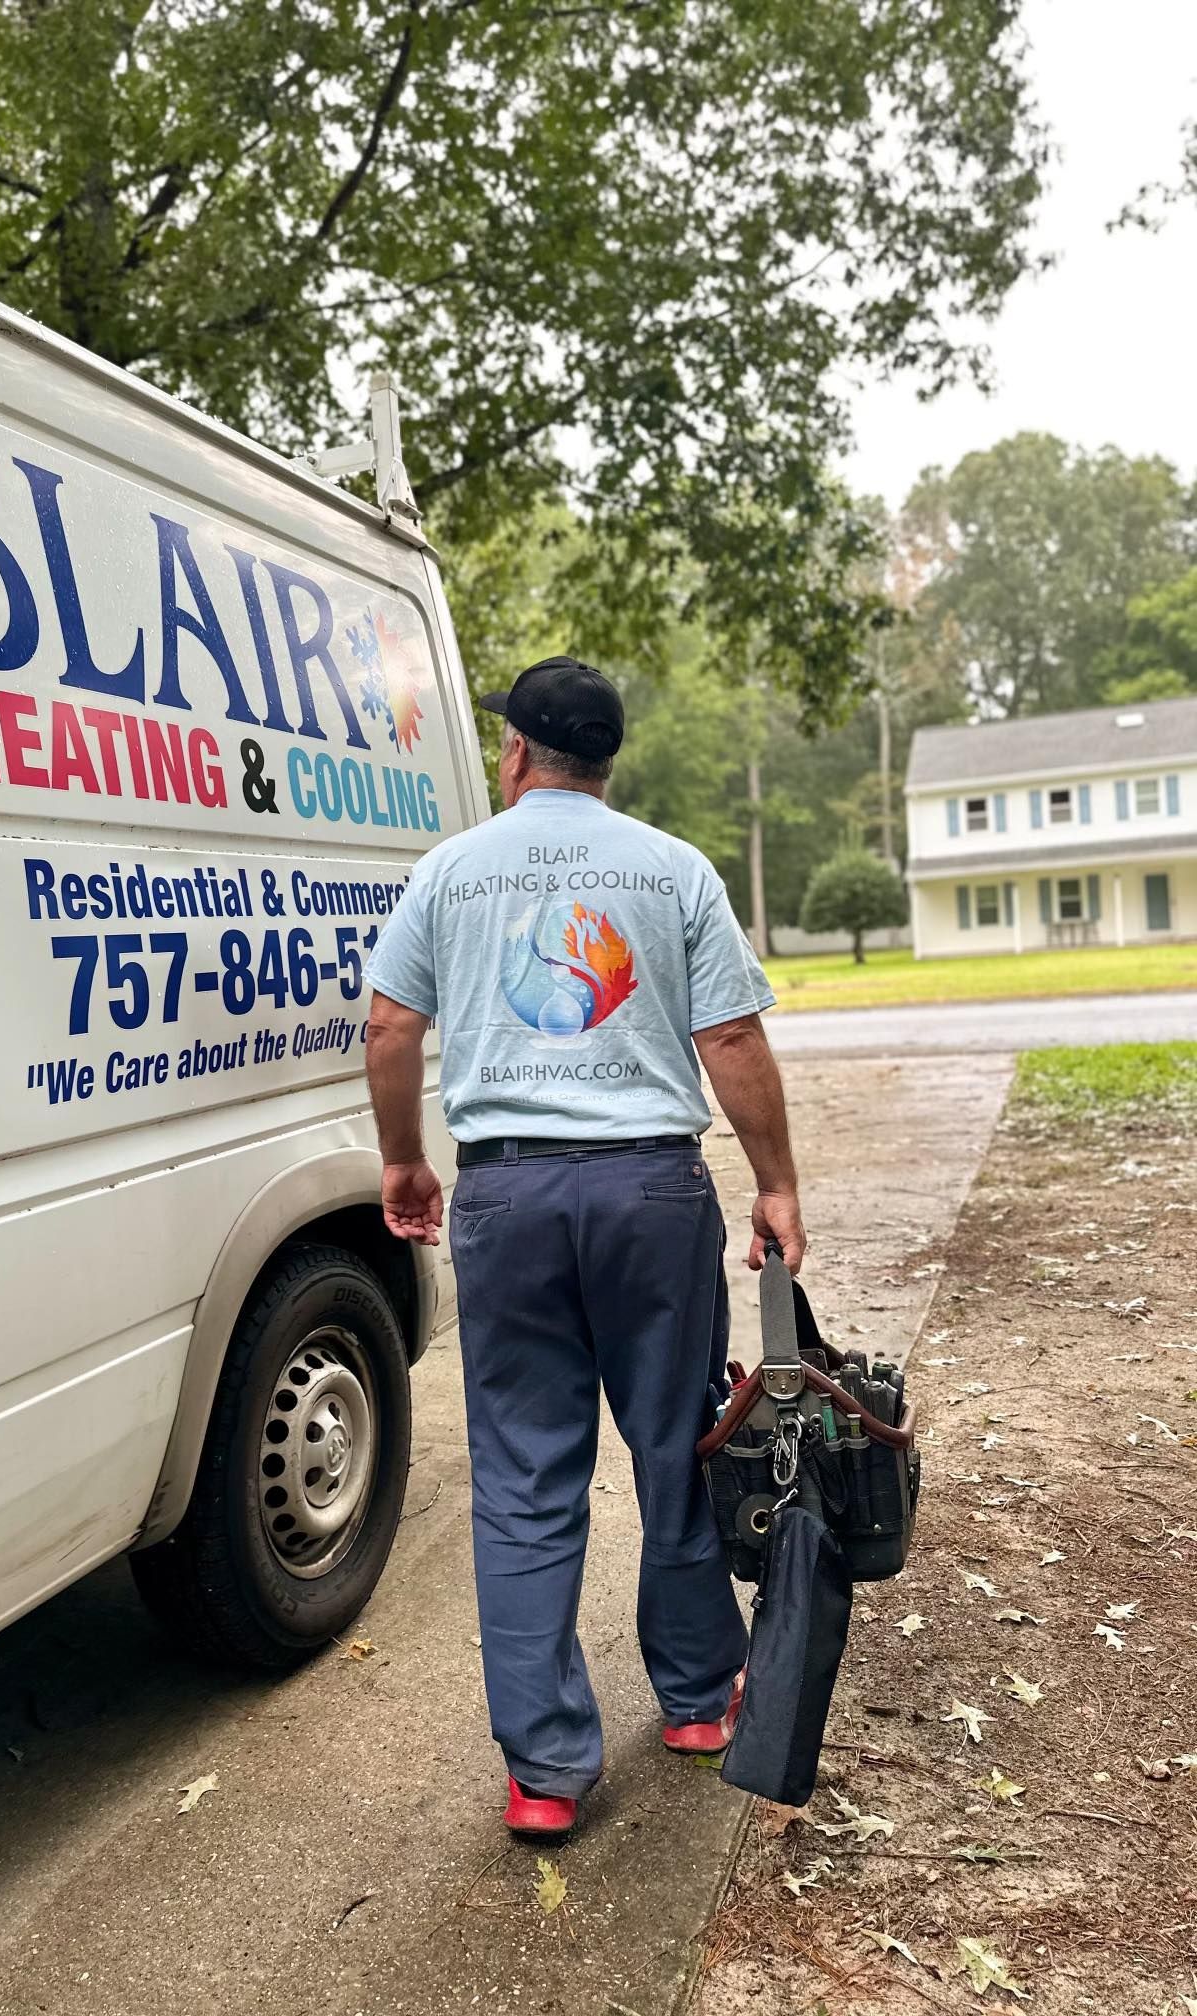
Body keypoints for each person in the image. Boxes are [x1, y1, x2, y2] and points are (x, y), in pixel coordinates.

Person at [363, 655, 806, 1839]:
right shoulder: (673, 869)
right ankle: (704, 1701)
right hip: (652, 1193)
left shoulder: (451, 871)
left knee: (522, 1479)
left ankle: (548, 1773)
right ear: (607, 762)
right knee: (676, 1442)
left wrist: (405, 1157)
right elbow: (734, 1042)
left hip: (507, 1199)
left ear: (516, 754)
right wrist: (776, 1184)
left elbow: (392, 1023)